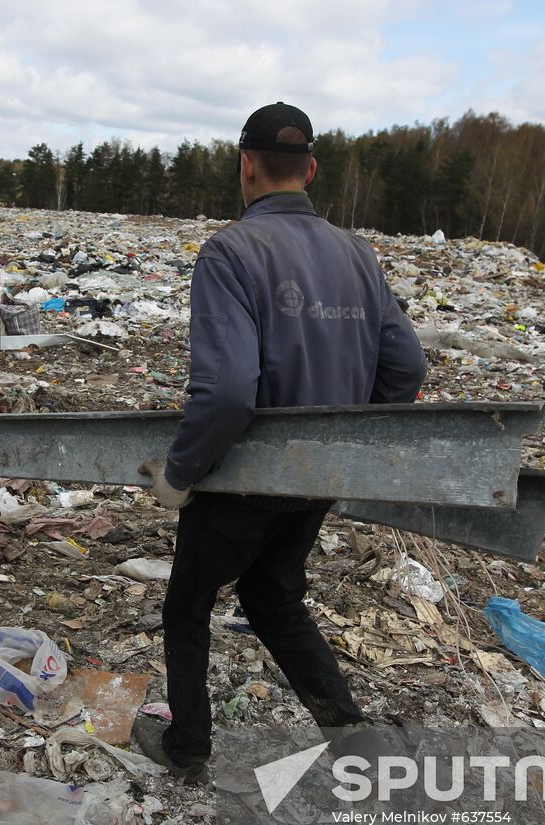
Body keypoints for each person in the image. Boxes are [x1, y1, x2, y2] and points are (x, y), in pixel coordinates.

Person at [132, 102, 427, 782]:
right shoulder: (358, 253)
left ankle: (189, 747)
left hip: (246, 479)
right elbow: (407, 368)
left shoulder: (232, 251)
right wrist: (348, 439)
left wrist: (181, 472)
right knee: (271, 593)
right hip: (318, 478)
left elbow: (230, 389)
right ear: (312, 169)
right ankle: (350, 733)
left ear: (247, 166)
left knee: (188, 604)